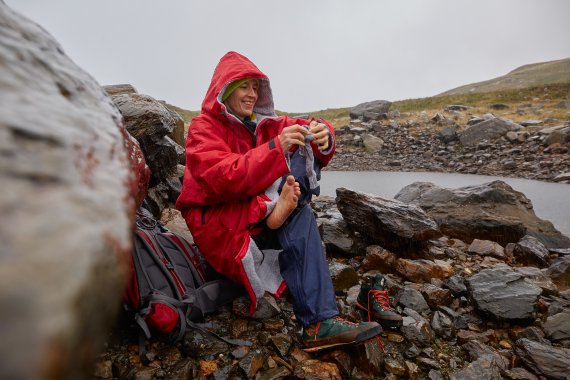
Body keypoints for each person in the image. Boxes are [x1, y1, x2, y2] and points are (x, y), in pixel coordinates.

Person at [176, 51, 382, 351]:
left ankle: (318, 324)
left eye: (255, 87)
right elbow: (222, 178)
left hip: (256, 221)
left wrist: (324, 132)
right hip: (225, 232)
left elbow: (306, 124)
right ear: (225, 89)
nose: (251, 94)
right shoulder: (202, 129)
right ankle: (272, 212)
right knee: (285, 163)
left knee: (300, 208)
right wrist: (275, 148)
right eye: (244, 86)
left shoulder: (263, 124)